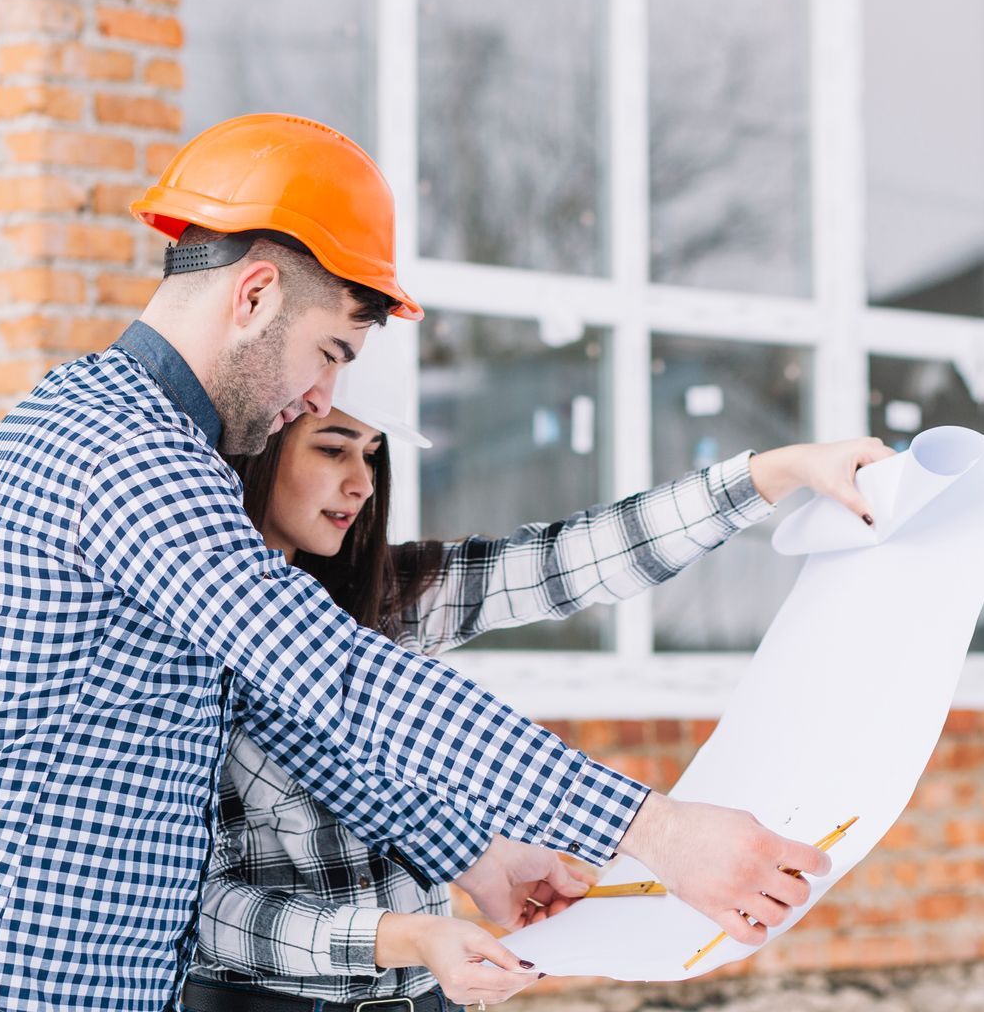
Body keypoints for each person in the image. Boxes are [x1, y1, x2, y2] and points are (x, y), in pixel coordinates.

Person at [0, 115, 844, 1012]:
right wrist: (657, 830)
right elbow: (341, 675)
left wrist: (478, 858)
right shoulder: (120, 449)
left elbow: (296, 717)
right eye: (328, 351)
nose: (322, 398)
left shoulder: (170, 460)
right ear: (256, 293)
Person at [188, 333, 893, 1009]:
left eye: (373, 456)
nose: (361, 484)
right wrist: (410, 938)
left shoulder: (385, 601)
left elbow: (571, 561)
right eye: (334, 449)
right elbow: (201, 909)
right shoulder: (185, 647)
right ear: (260, 450)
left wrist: (775, 472)